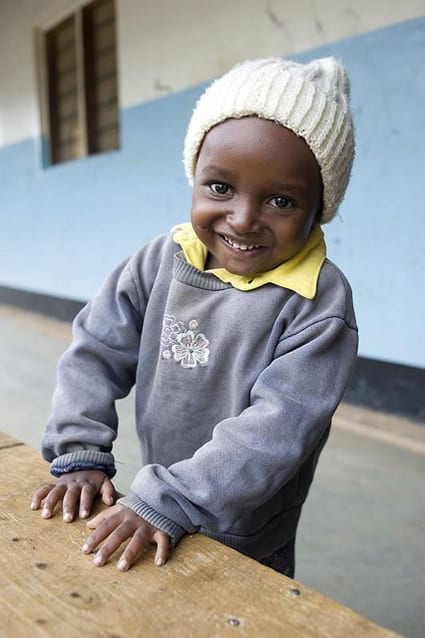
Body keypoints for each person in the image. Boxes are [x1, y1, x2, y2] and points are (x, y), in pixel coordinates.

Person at [31, 56, 358, 577]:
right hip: (157, 506)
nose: (243, 219)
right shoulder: (163, 260)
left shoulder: (317, 304)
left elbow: (275, 431)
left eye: (280, 200)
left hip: (248, 532)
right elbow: (94, 349)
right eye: (220, 188)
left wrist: (171, 498)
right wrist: (81, 450)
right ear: (194, 177)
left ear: (320, 208)